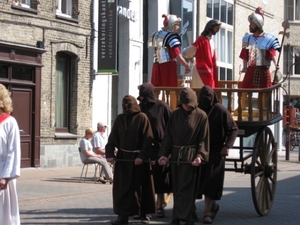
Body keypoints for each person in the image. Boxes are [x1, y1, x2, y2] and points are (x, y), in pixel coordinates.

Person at [158, 87, 210, 225]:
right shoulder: (175, 115)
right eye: (184, 104)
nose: (187, 106)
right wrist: (164, 155)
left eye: (189, 104)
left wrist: (200, 156)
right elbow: (168, 137)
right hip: (176, 156)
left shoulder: (201, 116)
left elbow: (203, 139)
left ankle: (187, 217)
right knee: (177, 187)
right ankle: (177, 216)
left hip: (191, 156)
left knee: (188, 187)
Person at [106, 95, 156, 225]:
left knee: (140, 187)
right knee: (122, 189)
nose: (127, 107)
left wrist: (142, 156)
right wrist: (110, 154)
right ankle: (123, 216)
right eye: (124, 104)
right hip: (123, 159)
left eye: (129, 104)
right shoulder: (119, 119)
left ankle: (144, 214)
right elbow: (112, 139)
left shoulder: (142, 118)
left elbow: (148, 139)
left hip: (138, 160)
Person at [198, 85, 238, 224]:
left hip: (216, 152)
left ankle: (207, 212)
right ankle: (211, 206)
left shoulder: (221, 110)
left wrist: (227, 146)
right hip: (199, 151)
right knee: (199, 181)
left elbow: (233, 128)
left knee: (211, 181)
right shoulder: (197, 110)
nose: (206, 100)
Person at [137, 82, 172, 218]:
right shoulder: (141, 107)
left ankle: (160, 205)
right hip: (144, 148)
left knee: (160, 178)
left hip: (160, 148)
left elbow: (171, 125)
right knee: (145, 179)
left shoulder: (162, 107)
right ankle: (146, 208)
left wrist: (169, 147)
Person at [240, 7, 281, 88]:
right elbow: (245, 55)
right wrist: (245, 67)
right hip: (251, 69)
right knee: (245, 91)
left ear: (258, 24)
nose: (249, 26)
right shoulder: (247, 38)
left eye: (252, 24)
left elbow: (272, 54)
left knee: (265, 94)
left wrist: (276, 64)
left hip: (264, 71)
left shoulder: (268, 39)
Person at [149, 14, 191, 87]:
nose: (178, 27)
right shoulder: (171, 37)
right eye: (177, 25)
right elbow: (177, 55)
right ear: (172, 25)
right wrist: (186, 66)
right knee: (170, 89)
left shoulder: (156, 35)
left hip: (156, 65)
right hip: (168, 67)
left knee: (156, 89)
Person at [0, 84, 21, 225]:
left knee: (5, 210)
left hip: (3, 171)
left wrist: (5, 177)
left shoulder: (10, 122)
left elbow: (14, 150)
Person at [186, 19, 222, 88]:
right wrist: (191, 60)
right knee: (201, 92)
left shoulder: (212, 40)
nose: (218, 30)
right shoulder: (201, 39)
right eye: (217, 28)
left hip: (210, 70)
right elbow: (189, 51)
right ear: (211, 27)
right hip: (200, 71)